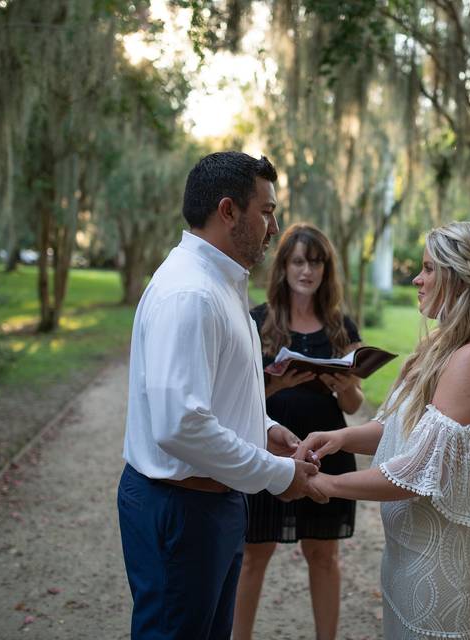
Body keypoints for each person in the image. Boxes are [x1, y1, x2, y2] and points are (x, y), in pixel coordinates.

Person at [117, 151, 325, 640]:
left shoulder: (220, 281)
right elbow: (181, 424)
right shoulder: (190, 293)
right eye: (267, 211)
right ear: (229, 211)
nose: (275, 226)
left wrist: (264, 431)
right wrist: (278, 475)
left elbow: (214, 393)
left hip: (214, 505)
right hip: (183, 509)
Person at [297, 221, 470, 639]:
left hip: (448, 556)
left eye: (428, 268)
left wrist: (328, 485)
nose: (417, 279)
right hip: (415, 550)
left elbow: (418, 471)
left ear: (459, 276)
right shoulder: (438, 348)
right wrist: (342, 438)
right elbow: (397, 429)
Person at [232, 223, 364, 640]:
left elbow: (354, 406)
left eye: (316, 262)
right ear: (284, 267)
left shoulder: (340, 326)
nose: (308, 270)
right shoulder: (258, 321)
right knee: (254, 554)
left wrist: (345, 387)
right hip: (271, 447)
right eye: (298, 261)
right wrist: (276, 385)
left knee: (322, 554)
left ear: (327, 269)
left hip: (327, 449)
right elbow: (239, 396)